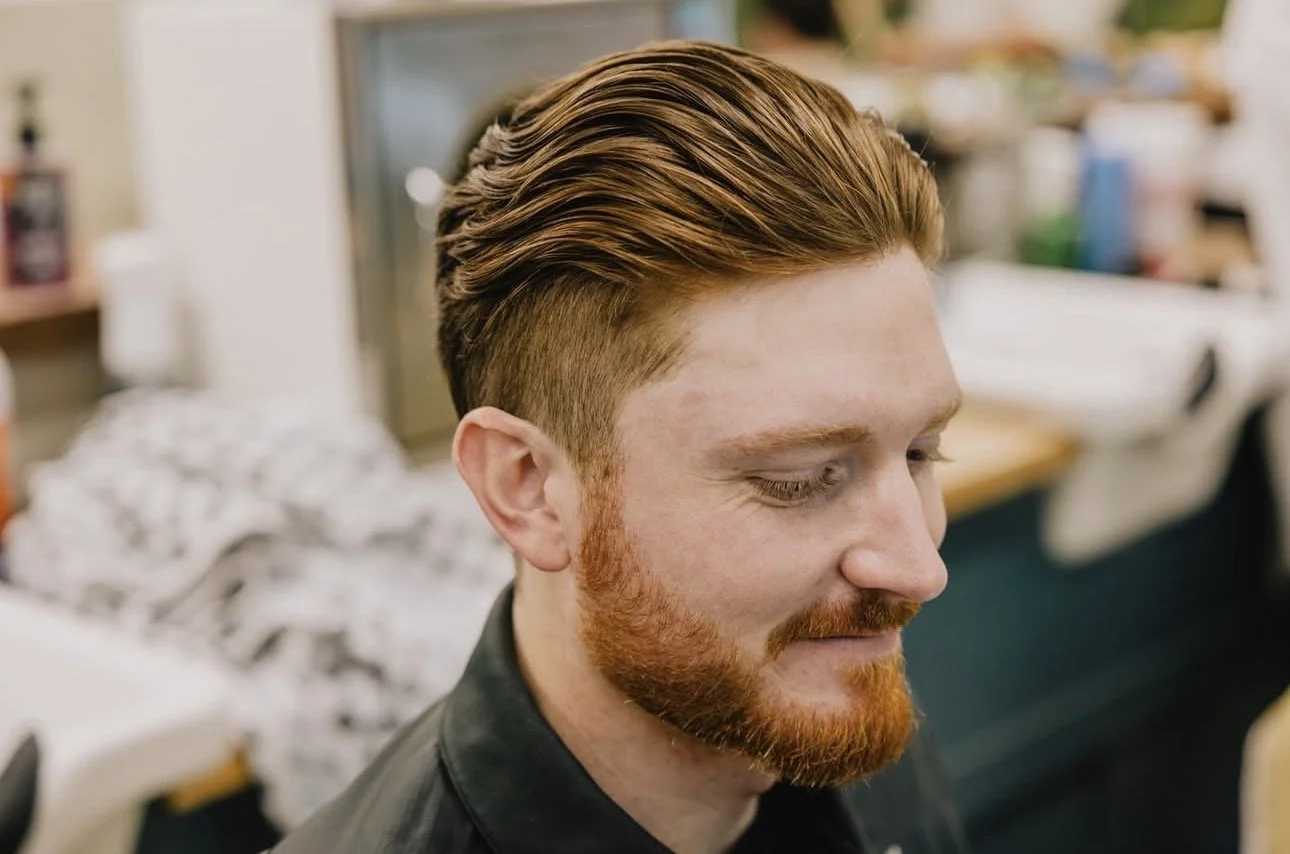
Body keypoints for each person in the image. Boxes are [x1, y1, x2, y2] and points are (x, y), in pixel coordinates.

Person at [273, 40, 967, 853]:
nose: (918, 568)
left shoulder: (825, 692)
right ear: (527, 487)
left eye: (920, 453)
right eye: (799, 478)